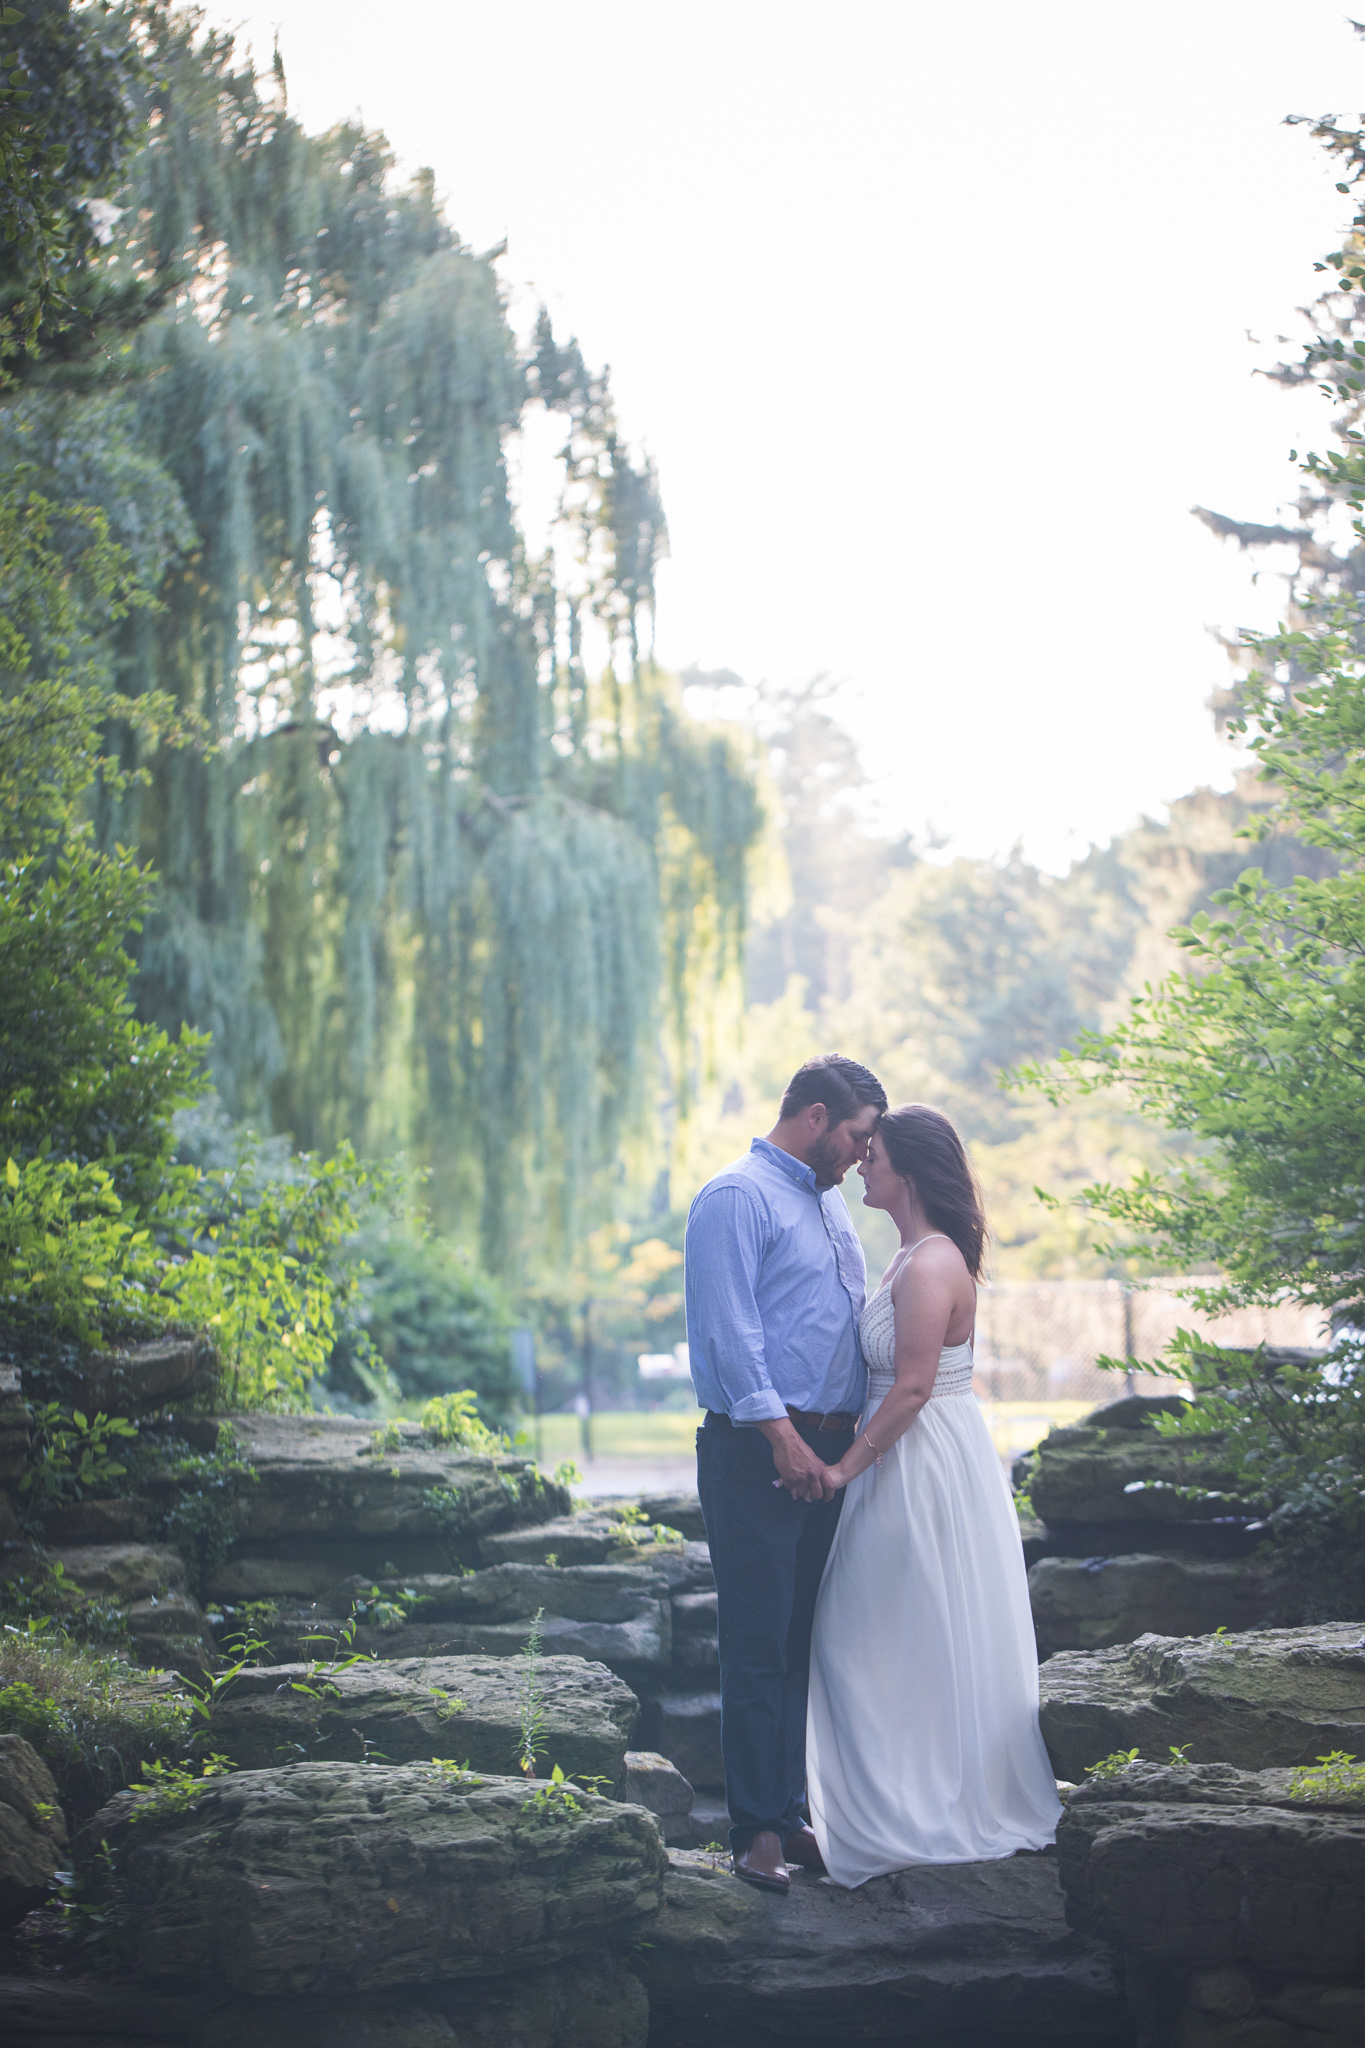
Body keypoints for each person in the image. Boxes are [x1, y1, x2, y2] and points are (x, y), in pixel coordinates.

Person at [804, 1102, 1062, 1886]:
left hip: (917, 1466)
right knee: (895, 1634)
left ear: (906, 1172)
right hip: (902, 1457)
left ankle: (910, 1813)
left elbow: (913, 1385)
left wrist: (845, 1467)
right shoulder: (904, 1256)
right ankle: (891, 1806)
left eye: (872, 1154)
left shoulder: (929, 1263)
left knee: (866, 1633)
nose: (859, 1165)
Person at [684, 1053, 887, 1894]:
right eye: (855, 1136)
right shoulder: (736, 1197)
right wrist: (782, 1438)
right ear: (812, 1117)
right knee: (757, 1645)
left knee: (802, 1640)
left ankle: (789, 1810)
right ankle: (752, 1833)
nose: (861, 1154)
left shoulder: (827, 1201)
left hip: (824, 1452)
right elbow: (731, 1336)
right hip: (759, 1450)